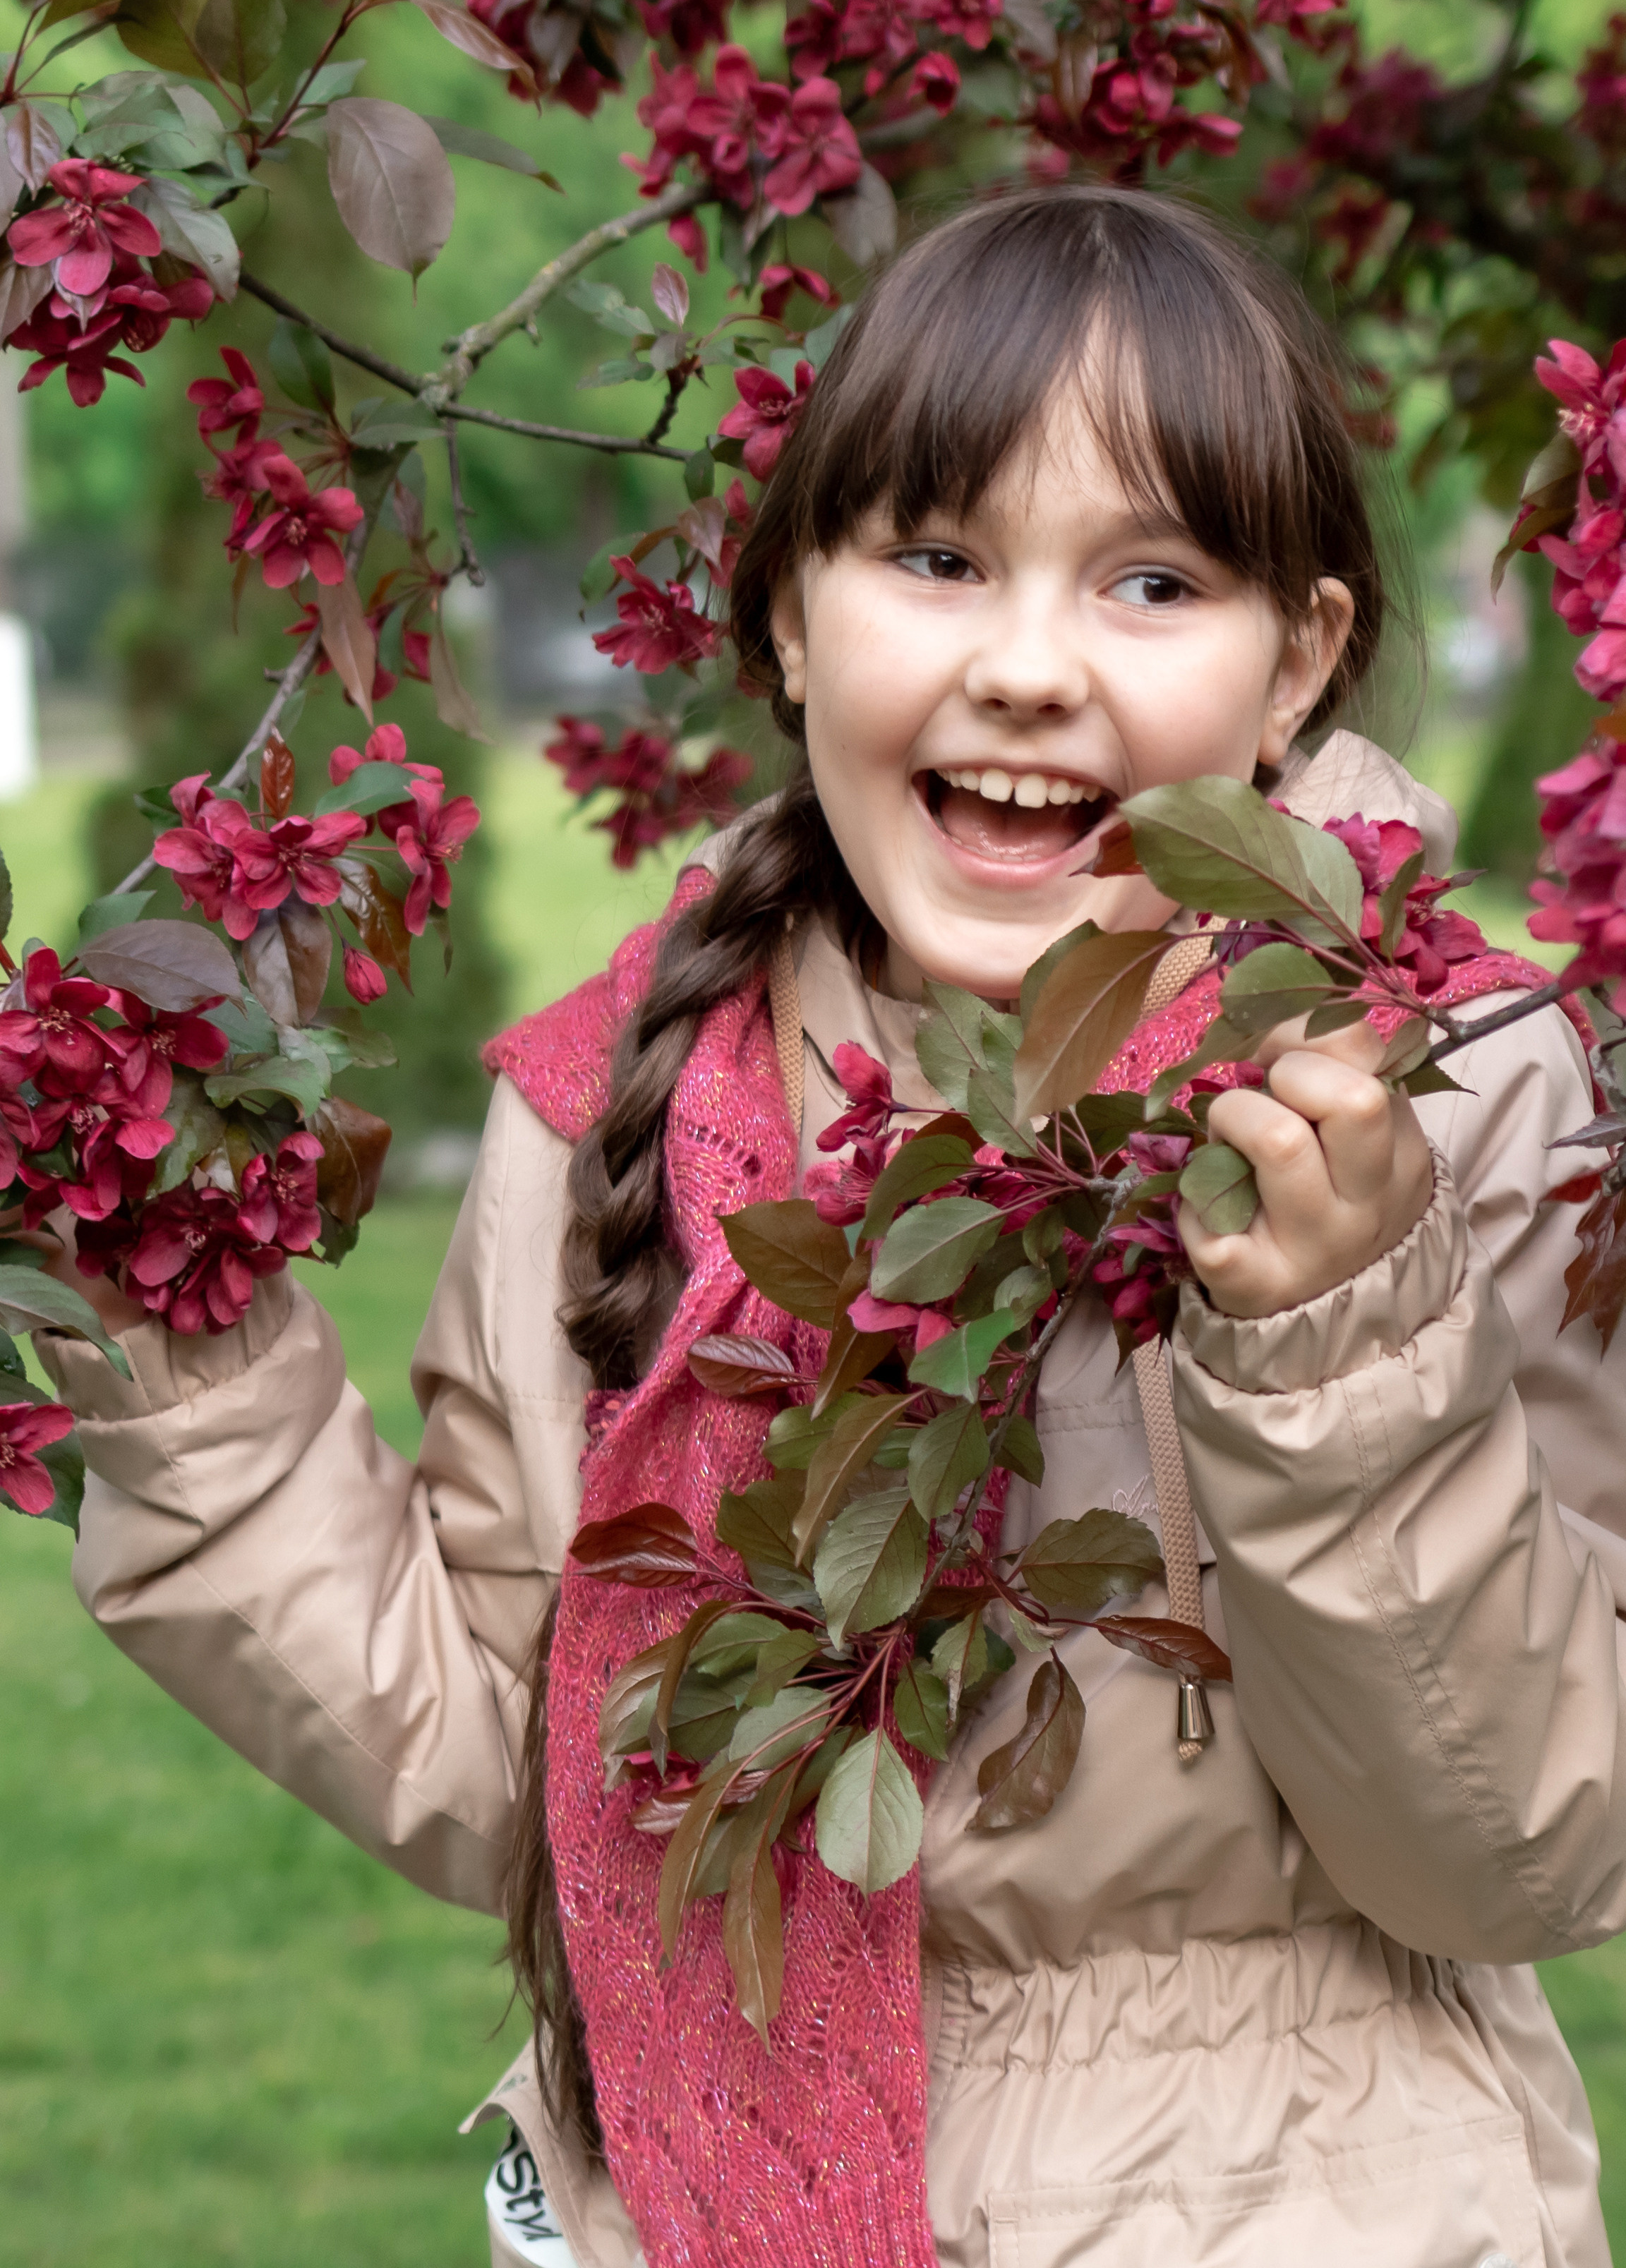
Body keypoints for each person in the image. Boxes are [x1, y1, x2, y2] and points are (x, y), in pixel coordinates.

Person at [39, 186, 1626, 2268]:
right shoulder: (619, 1103)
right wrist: (189, 1368)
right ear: (792, 612)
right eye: (939, 559)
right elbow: (519, 1773)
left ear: (1297, 665)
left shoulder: (1442, 1098)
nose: (1031, 666)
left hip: (1298, 2191)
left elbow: (1503, 1852)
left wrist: (1340, 1349)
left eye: (1154, 580)